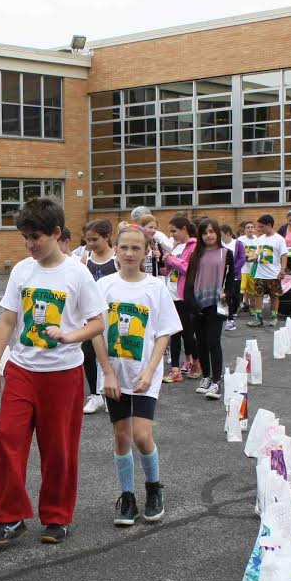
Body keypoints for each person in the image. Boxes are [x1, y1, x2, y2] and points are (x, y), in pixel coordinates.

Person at [0, 196, 106, 548]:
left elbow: (99, 321)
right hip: (22, 369)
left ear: (55, 233)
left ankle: (56, 516)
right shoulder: (22, 270)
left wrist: (71, 335)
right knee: (7, 438)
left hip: (63, 374)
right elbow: (8, 318)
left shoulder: (77, 273)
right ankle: (9, 517)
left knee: (59, 449)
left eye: (35, 237)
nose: (29, 244)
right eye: (25, 237)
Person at [91, 224, 181, 527]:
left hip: (144, 374)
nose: (129, 253)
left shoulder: (155, 287)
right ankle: (127, 497)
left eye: (136, 248)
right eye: (124, 247)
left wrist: (150, 370)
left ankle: (154, 487)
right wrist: (107, 373)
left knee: (142, 436)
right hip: (113, 374)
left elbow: (164, 333)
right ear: (115, 248)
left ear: (146, 252)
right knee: (121, 437)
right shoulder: (104, 287)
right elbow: (97, 334)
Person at [181, 218, 233, 399]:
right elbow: (189, 280)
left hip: (216, 303)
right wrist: (191, 302)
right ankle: (207, 377)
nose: (208, 235)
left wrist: (227, 293)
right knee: (201, 342)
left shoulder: (226, 253)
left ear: (217, 233)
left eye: (211, 231)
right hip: (197, 303)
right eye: (204, 232)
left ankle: (217, 381)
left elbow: (230, 279)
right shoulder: (196, 255)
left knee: (213, 341)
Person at [78, 219, 118, 414]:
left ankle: (113, 392)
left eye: (94, 239)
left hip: (113, 315)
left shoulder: (116, 259)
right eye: (87, 240)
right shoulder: (86, 258)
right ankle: (95, 395)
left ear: (107, 236)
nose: (90, 244)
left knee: (112, 355)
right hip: (92, 316)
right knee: (88, 353)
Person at [163, 215, 199, 382]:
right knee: (174, 332)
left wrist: (170, 259)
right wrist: (165, 261)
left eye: (174, 231)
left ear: (184, 228)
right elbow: (171, 271)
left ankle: (196, 362)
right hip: (171, 293)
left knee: (187, 333)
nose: (172, 235)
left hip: (184, 296)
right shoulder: (176, 246)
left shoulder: (194, 245)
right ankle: (175, 369)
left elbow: (188, 268)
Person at [247, 214, 287, 327]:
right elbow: (256, 253)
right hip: (259, 273)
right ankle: (258, 317)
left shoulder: (279, 239)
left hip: (273, 274)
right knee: (258, 295)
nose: (259, 229)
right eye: (259, 227)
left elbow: (284, 255)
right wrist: (252, 257)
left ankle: (274, 317)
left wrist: (282, 270)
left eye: (261, 226)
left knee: (274, 296)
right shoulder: (259, 239)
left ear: (269, 225)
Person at [221, 223, 243, 330]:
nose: (221, 238)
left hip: (235, 275)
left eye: (222, 235)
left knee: (236, 297)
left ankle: (233, 311)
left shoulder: (237, 243)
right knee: (227, 296)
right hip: (224, 276)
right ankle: (229, 318)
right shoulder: (220, 245)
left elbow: (242, 258)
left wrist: (234, 270)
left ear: (228, 234)